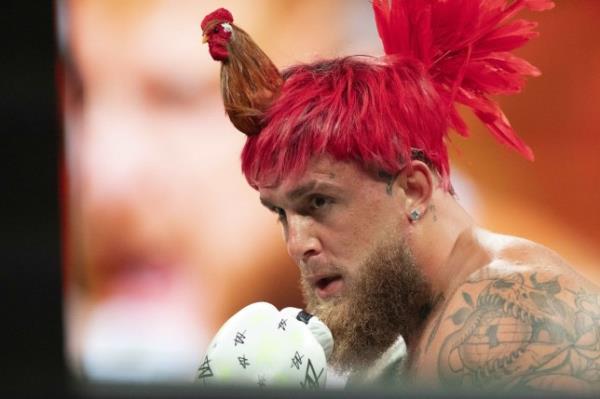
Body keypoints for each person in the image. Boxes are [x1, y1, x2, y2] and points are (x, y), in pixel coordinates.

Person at [201, 0, 600, 393]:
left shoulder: (509, 319)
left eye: (319, 203)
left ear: (413, 190)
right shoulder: (403, 335)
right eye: (282, 214)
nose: (297, 244)